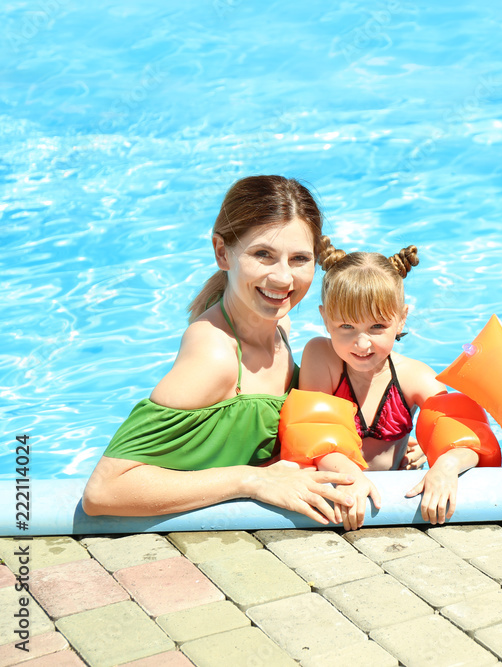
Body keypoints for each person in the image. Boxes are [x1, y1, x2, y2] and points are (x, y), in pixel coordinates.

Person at [82, 175, 358, 524]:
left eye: (300, 259)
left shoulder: (279, 331)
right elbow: (103, 491)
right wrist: (249, 480)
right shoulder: (215, 356)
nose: (284, 278)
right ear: (221, 253)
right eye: (263, 255)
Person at [282, 242, 492, 529]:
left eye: (377, 327)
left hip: (392, 496)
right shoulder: (322, 357)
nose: (362, 343)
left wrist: (445, 465)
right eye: (346, 327)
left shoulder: (414, 377)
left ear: (401, 318)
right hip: (345, 483)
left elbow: (471, 439)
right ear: (325, 319)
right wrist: (350, 476)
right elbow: (314, 431)